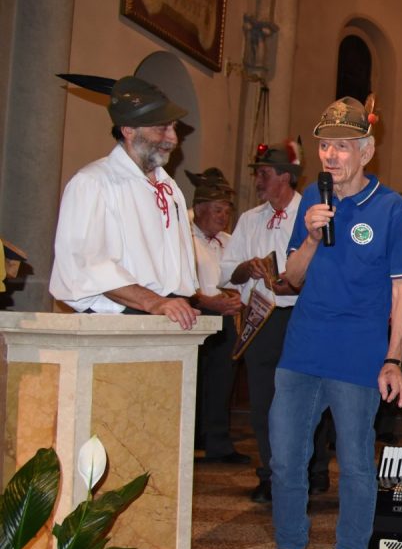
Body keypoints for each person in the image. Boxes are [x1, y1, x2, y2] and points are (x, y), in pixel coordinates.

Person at [256, 97, 402, 549]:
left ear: (366, 151)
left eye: (343, 147)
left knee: (355, 463)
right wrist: (308, 237)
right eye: (325, 146)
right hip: (302, 350)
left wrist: (393, 359)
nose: (331, 155)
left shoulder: (390, 208)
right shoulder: (312, 198)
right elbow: (292, 278)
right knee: (286, 458)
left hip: (357, 354)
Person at [222, 144, 329, 503]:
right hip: (262, 316)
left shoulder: (311, 213)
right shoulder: (249, 219)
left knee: (308, 397)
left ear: (286, 177)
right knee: (264, 400)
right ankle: (271, 474)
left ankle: (314, 469)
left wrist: (295, 283)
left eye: (264, 174)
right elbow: (227, 271)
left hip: (302, 314)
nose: (257, 180)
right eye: (257, 173)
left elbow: (325, 268)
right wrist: (247, 267)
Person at [50, 76, 198, 330]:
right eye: (162, 129)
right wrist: (153, 302)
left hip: (168, 316)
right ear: (129, 130)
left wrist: (171, 303)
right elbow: (86, 264)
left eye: (173, 128)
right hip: (116, 322)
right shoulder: (93, 182)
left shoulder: (170, 188)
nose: (173, 139)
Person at [186, 167, 246, 464]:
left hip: (226, 317)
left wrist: (236, 298)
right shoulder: (184, 238)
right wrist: (209, 302)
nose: (223, 216)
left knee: (221, 381)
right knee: (193, 381)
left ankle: (217, 442)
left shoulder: (228, 240)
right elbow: (181, 282)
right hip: (194, 314)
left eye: (226, 211)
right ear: (199, 209)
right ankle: (192, 439)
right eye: (217, 210)